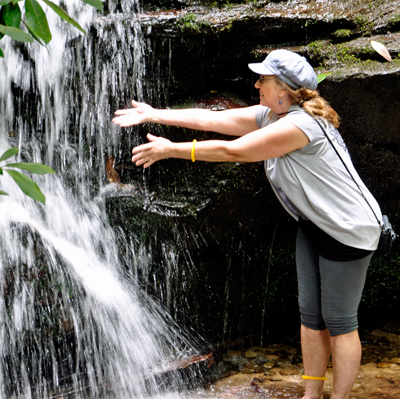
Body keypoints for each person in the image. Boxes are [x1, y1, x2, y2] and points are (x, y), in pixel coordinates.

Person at [112, 49, 383, 399]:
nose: (256, 84)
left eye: (263, 79)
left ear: (284, 89)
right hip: (317, 225)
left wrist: (170, 149)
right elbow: (213, 120)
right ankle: (311, 395)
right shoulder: (272, 114)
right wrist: (154, 114)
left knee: (340, 322)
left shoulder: (299, 125)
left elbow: (235, 152)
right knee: (310, 316)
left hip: (350, 231)